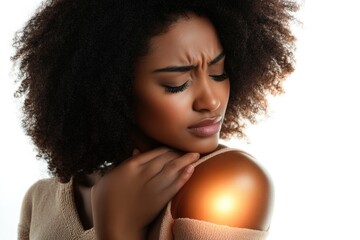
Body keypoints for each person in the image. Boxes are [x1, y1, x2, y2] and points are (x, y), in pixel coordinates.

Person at [13, 0, 298, 239]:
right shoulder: (41, 200)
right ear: (109, 89)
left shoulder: (229, 182)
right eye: (176, 83)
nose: (211, 101)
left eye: (219, 73)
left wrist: (118, 227)